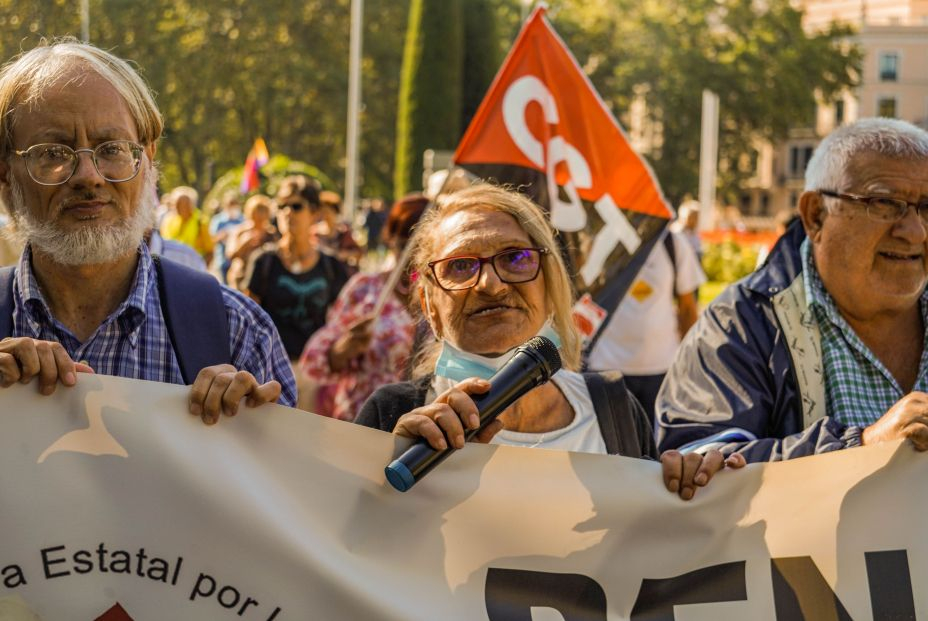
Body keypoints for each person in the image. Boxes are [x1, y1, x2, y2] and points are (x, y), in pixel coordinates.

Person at [356, 185, 742, 500]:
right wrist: (382, 482)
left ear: (549, 283)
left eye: (516, 258)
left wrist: (696, 491)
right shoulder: (394, 417)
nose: (492, 284)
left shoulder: (613, 412)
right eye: (461, 265)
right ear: (429, 305)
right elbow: (339, 557)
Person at [0, 39, 296, 422]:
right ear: (5, 173)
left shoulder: (236, 330)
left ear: (148, 158)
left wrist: (257, 438)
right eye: (53, 153)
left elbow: (293, 481)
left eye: (112, 148)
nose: (89, 177)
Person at [657, 118, 928, 461]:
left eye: (927, 208)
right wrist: (861, 447)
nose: (915, 231)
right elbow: (696, 470)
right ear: (816, 215)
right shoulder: (739, 325)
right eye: (885, 204)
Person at [300, 194, 429, 421]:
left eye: (424, 244)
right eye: (404, 244)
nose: (413, 254)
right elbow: (315, 361)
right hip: (361, 421)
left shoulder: (443, 296)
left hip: (422, 429)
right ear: (391, 240)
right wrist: (344, 349)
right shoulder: (366, 290)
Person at [244, 176, 350, 410]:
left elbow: (345, 321)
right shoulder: (264, 262)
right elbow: (248, 319)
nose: (287, 212)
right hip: (270, 372)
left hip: (316, 376)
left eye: (296, 206)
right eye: (282, 206)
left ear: (314, 213)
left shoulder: (331, 267)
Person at [586, 228, 705, 423]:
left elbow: (687, 309)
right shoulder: (600, 239)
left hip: (661, 371)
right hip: (605, 369)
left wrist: (689, 365)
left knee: (654, 448)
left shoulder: (672, 243)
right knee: (607, 449)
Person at [159, 186, 214, 263]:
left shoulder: (201, 222)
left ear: (191, 204)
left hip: (194, 266)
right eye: (175, 203)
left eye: (182, 203)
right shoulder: (168, 220)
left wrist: (201, 270)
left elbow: (210, 251)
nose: (177, 206)